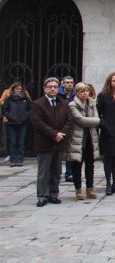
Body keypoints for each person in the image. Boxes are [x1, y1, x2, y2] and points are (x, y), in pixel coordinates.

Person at [31, 77, 73, 207]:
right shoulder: (38, 104)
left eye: (55, 86)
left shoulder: (63, 103)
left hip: (59, 142)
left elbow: (69, 120)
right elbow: (38, 123)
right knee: (44, 171)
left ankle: (53, 193)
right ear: (45, 89)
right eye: (50, 87)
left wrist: (62, 134)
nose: (53, 89)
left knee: (56, 170)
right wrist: (54, 134)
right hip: (45, 142)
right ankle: (42, 195)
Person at [67, 82, 100, 200]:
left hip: (90, 138)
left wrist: (94, 120)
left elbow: (96, 117)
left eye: (87, 91)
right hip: (78, 138)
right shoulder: (72, 105)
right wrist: (94, 120)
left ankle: (90, 189)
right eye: (82, 91)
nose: (85, 93)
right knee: (77, 165)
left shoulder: (92, 103)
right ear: (77, 93)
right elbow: (80, 120)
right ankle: (78, 190)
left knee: (90, 165)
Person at [1, 82, 31, 167]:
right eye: (17, 89)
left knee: (21, 141)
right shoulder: (9, 99)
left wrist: (25, 116)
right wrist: (10, 117)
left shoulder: (25, 99)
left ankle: (20, 159)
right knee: (12, 141)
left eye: (20, 89)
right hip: (11, 123)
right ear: (13, 89)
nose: (18, 90)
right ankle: (13, 160)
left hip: (23, 122)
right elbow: (5, 109)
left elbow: (30, 109)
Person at [58, 76, 76, 182]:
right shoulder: (58, 94)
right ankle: (57, 172)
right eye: (67, 82)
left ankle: (69, 173)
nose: (69, 84)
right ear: (63, 84)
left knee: (70, 150)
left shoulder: (75, 94)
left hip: (72, 124)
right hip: (60, 124)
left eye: (71, 82)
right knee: (59, 150)